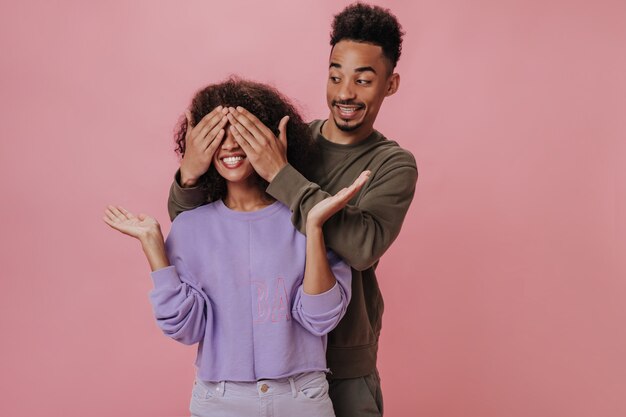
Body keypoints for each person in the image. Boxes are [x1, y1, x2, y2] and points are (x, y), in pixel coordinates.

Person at [167, 4, 417, 417]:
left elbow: (362, 246)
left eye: (363, 79)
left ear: (390, 84)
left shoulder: (394, 164)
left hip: (345, 362)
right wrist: (190, 173)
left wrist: (280, 173)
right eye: (335, 75)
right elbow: (201, 224)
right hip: (275, 362)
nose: (344, 93)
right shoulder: (293, 139)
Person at [104, 78, 371, 417]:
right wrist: (155, 249)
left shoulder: (309, 213)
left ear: (276, 135)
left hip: (302, 396)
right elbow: (186, 329)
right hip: (220, 400)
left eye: (243, 130)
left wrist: (315, 227)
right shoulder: (190, 226)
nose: (230, 144)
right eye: (217, 132)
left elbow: (320, 319)